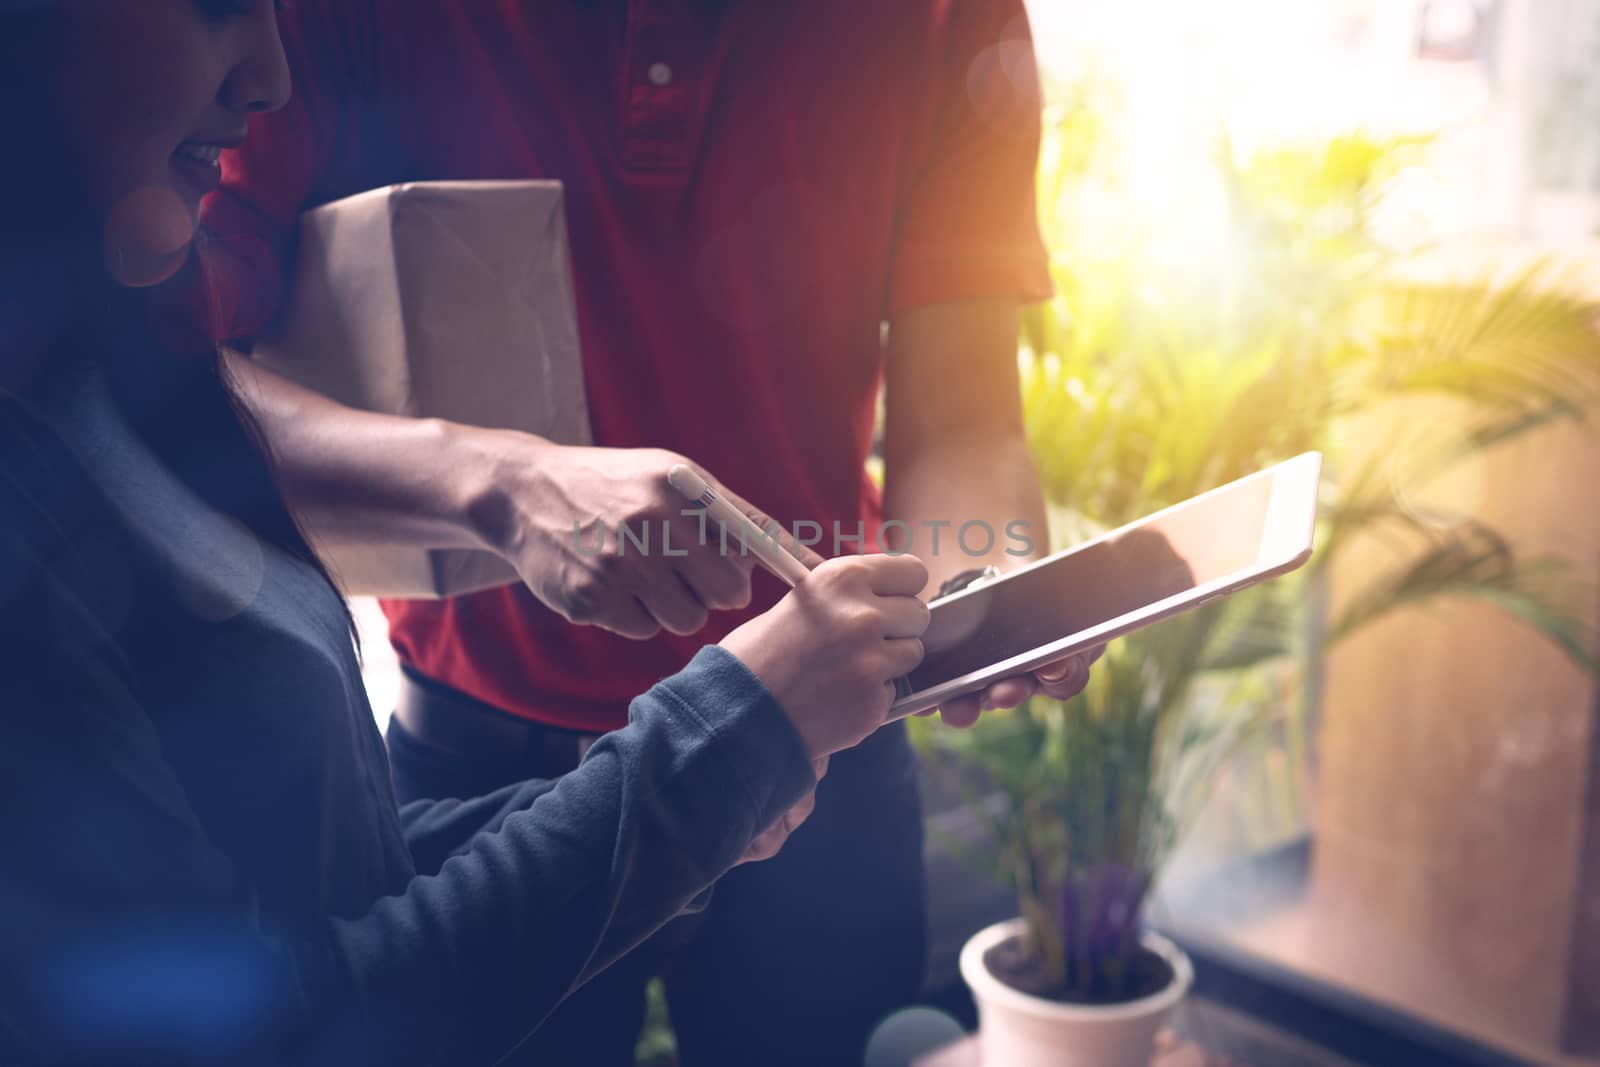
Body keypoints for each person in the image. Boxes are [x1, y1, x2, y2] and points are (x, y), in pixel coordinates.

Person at [0, 2, 936, 1063]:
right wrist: (709, 750)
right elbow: (303, 1021)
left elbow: (331, 878)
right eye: (220, 6)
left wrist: (688, 784)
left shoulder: (71, 383)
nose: (270, 73)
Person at [193, 2, 1101, 1062]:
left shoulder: (947, 17)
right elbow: (164, 393)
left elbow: (968, 417)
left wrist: (973, 587)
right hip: (481, 778)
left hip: (828, 758)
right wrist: (495, 480)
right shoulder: (310, 21)